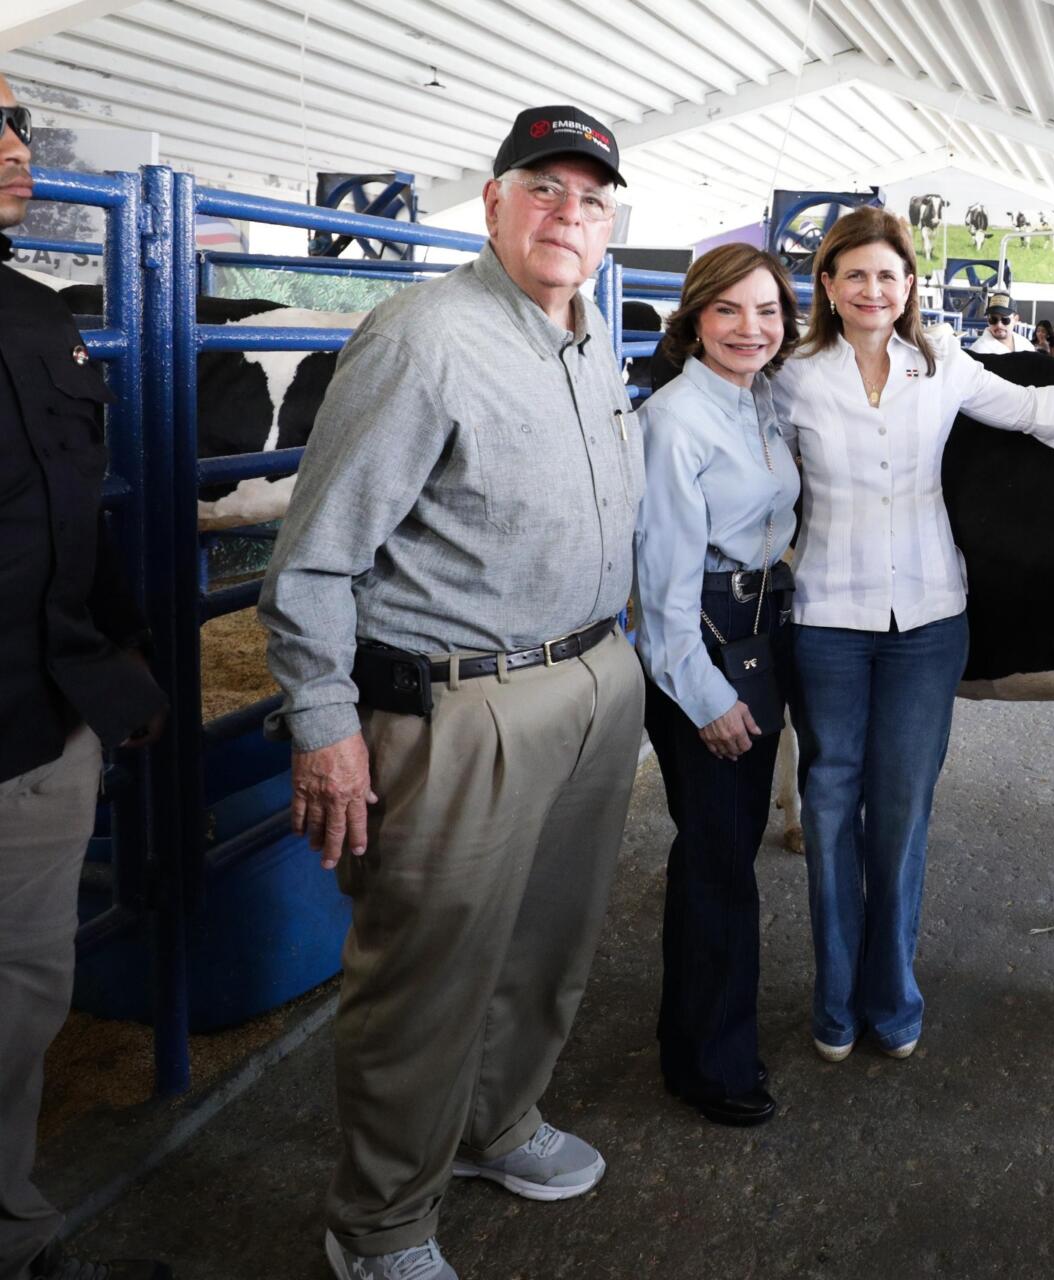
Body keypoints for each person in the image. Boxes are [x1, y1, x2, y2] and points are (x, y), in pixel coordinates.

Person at [259, 105, 647, 1280]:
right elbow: (316, 553)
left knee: (548, 942)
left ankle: (493, 1123)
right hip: (463, 698)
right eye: (544, 190)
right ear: (491, 202)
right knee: (427, 972)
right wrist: (323, 723)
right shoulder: (424, 336)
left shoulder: (591, 335)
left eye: (589, 199)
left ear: (610, 221)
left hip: (590, 673)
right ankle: (378, 1224)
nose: (566, 216)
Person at [772, 207, 1054, 1063]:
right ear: (827, 285)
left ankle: (891, 996)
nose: (873, 290)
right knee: (825, 807)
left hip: (929, 620)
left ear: (909, 286)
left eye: (888, 275)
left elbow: (1037, 408)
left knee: (902, 811)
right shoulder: (789, 374)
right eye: (854, 274)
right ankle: (834, 995)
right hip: (826, 617)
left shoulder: (942, 365)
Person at [0, 79, 174, 1280]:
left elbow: (79, 513)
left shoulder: (33, 314)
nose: (18, 147)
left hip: (40, 724)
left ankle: (14, 1235)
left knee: (22, 996)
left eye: (15, 123)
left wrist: (125, 656)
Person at [634, 244, 802, 1129]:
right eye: (730, 311)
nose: (752, 329)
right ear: (695, 318)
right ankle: (709, 1063)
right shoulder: (674, 421)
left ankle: (700, 1037)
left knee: (724, 853)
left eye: (768, 311)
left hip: (757, 636)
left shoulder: (757, 402)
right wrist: (705, 700)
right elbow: (659, 589)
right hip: (703, 651)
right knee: (714, 862)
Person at [968, 292, 1034, 355]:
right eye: (993, 320)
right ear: (988, 320)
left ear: (1016, 319)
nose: (999, 325)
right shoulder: (977, 350)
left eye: (1005, 320)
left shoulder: (1026, 345)